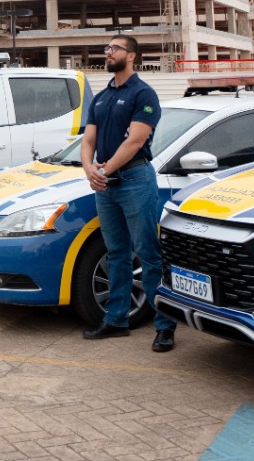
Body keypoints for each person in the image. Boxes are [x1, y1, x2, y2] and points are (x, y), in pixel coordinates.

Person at [81, 34, 177, 352]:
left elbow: (135, 142)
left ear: (132, 55)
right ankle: (116, 319)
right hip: (106, 185)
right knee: (117, 254)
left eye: (114, 48)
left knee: (148, 254)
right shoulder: (101, 98)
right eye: (106, 47)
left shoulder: (143, 94)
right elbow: (88, 141)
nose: (107, 52)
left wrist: (103, 171)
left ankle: (165, 326)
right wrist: (89, 170)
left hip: (135, 180)